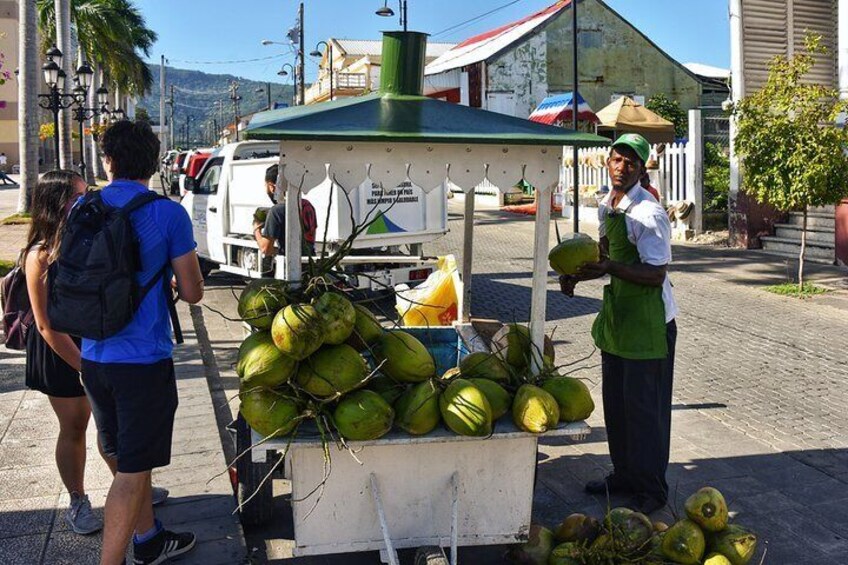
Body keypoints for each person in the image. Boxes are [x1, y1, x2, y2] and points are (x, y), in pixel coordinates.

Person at [21, 171, 171, 537]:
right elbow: (45, 326)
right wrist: (83, 366)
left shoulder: (88, 235)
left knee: (112, 430)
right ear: (56, 203)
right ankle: (78, 500)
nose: (86, 200)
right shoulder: (40, 255)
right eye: (77, 195)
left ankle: (131, 487)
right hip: (61, 350)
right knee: (74, 427)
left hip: (94, 343)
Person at [81, 120, 204, 565]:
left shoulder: (85, 206)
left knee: (122, 455)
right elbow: (192, 292)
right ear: (153, 162)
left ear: (108, 160)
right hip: (143, 361)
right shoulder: (168, 213)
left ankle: (149, 537)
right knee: (133, 472)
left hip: (92, 355)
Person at [560, 133, 677, 515]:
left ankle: (652, 489)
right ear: (607, 163)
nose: (621, 167)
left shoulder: (649, 213)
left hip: (649, 324)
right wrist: (578, 275)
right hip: (619, 318)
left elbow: (655, 273)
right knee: (618, 406)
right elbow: (606, 257)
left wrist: (609, 267)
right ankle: (624, 474)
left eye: (630, 162)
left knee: (646, 411)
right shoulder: (607, 206)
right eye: (616, 159)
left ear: (642, 169)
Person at [253, 164, 318, 257]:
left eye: (266, 186)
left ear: (271, 187)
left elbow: (265, 249)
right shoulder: (307, 205)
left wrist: (256, 228)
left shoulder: (276, 211)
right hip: (309, 263)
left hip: (289, 266)